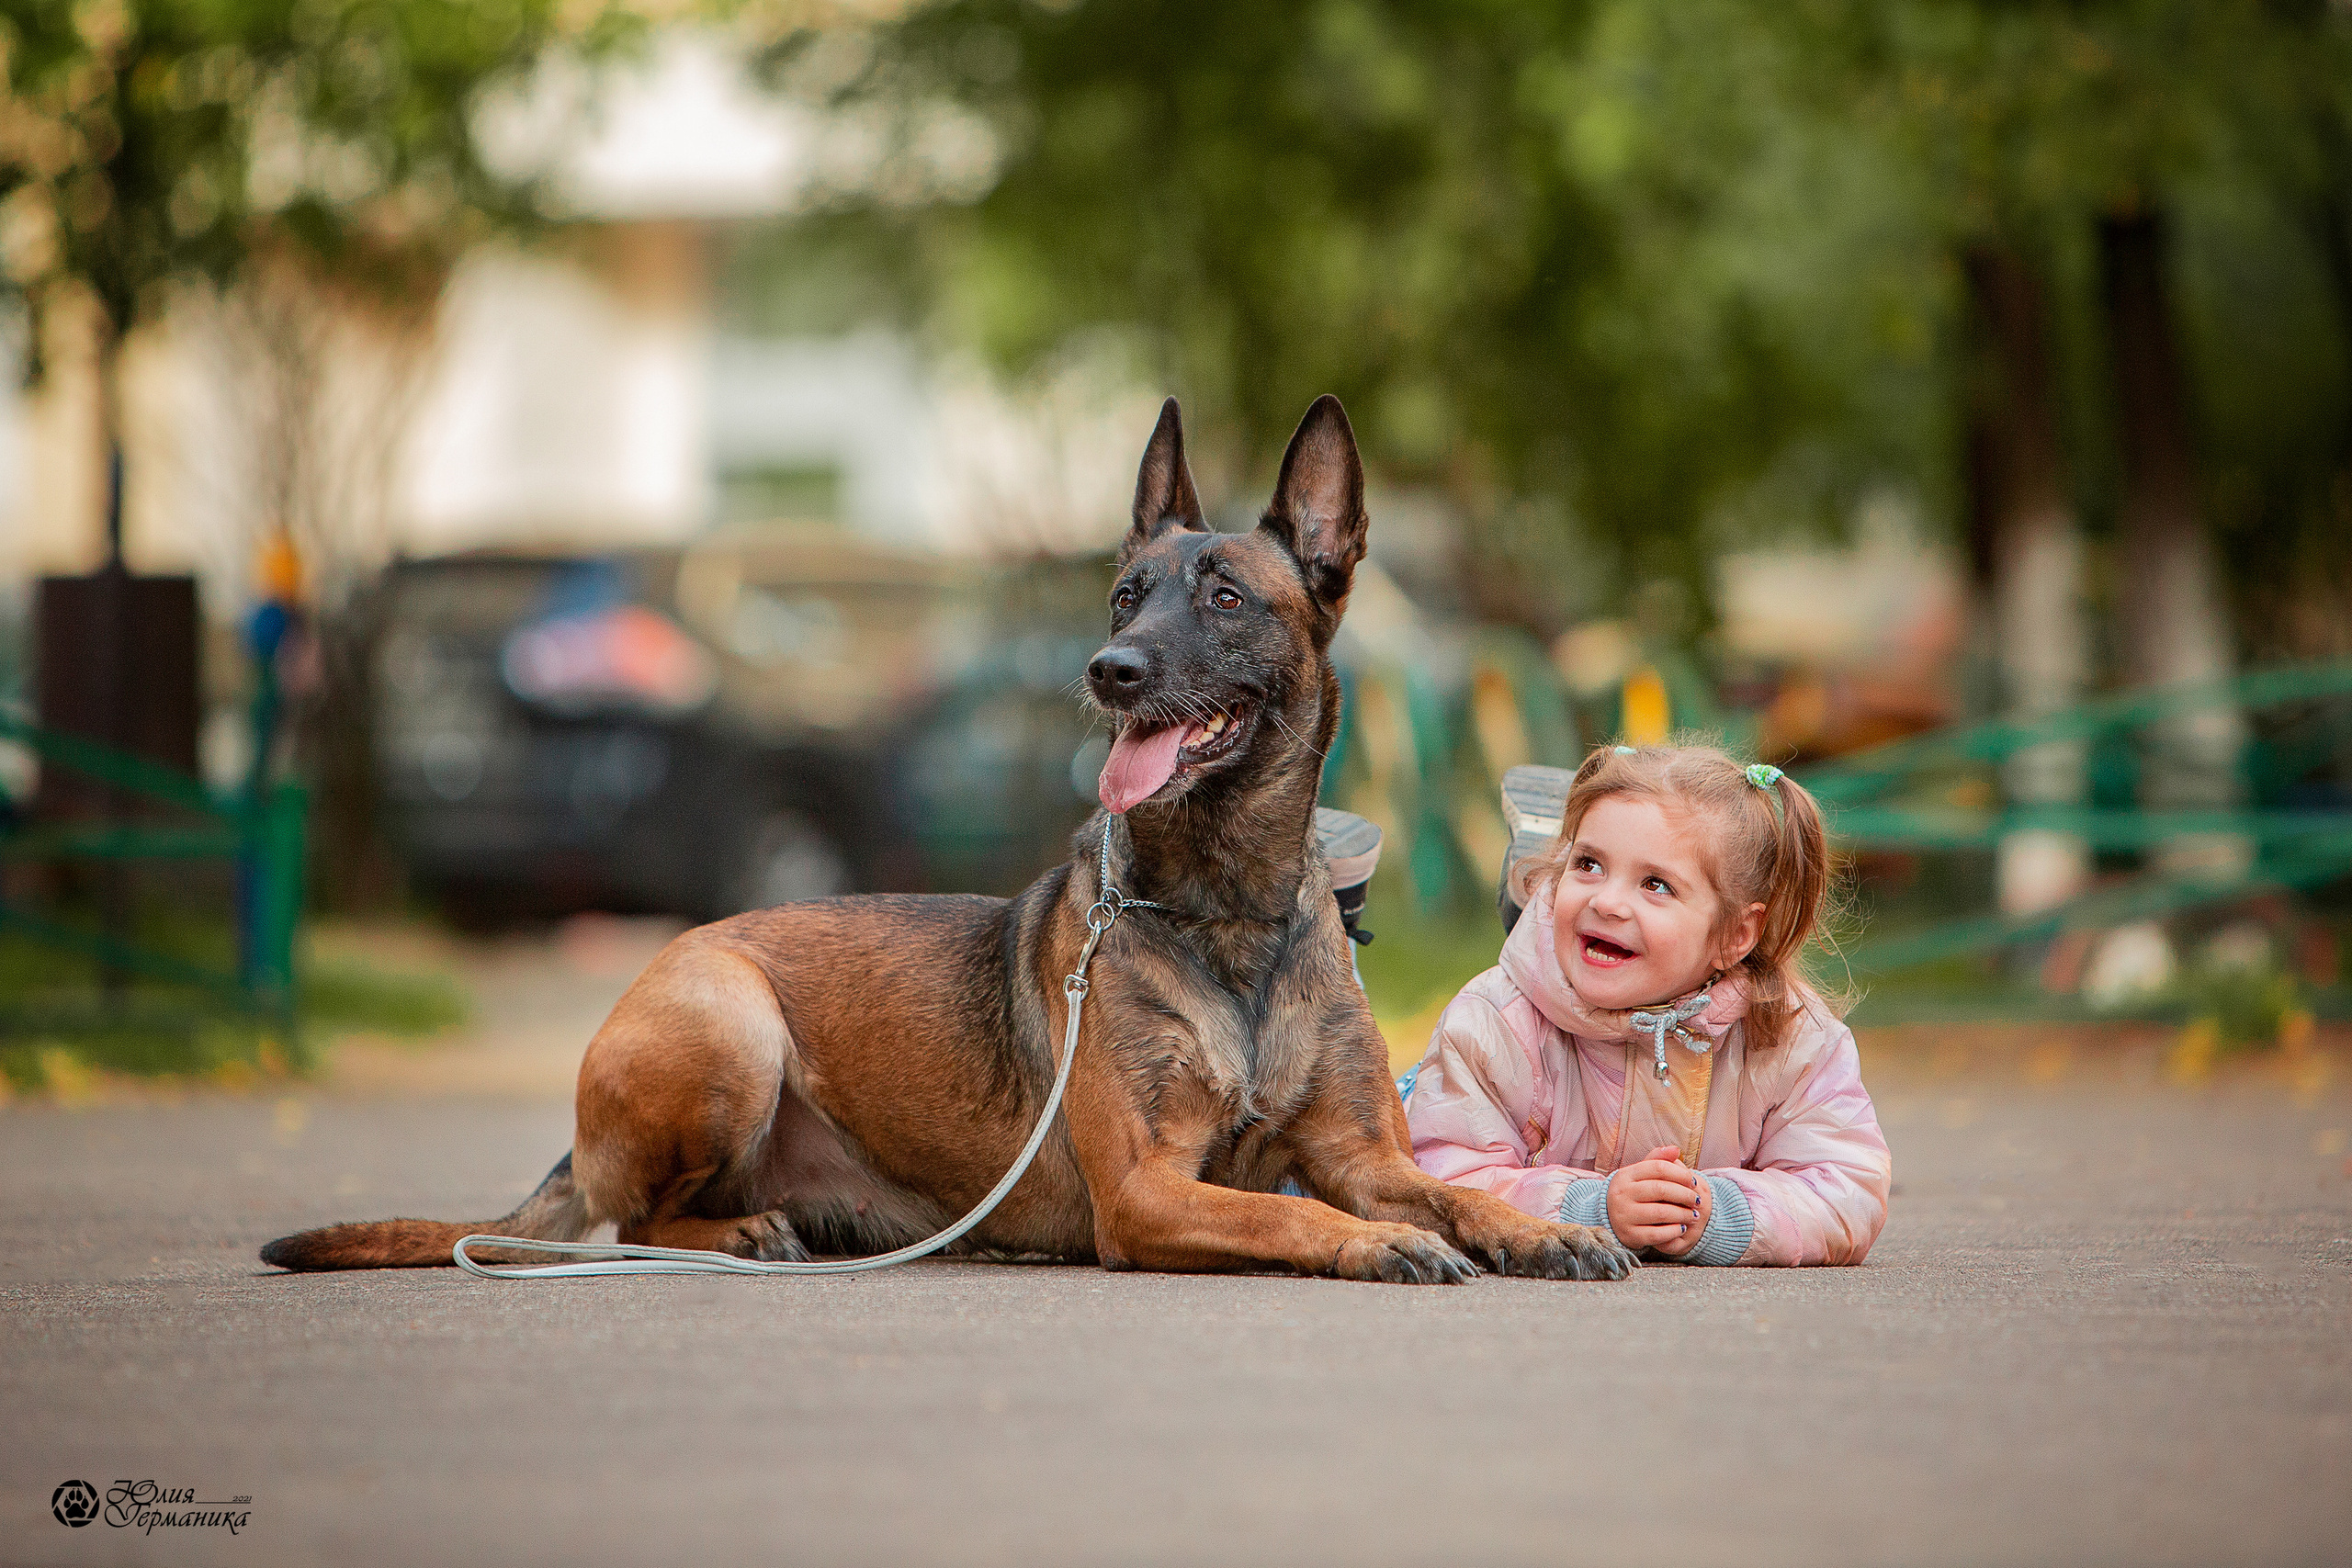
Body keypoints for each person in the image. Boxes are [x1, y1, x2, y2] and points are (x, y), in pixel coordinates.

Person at [1401, 741, 1890, 1266]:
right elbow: (1438, 1180)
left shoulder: (1792, 1036)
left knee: (1590, 924)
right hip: (1414, 1102)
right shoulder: (1493, 1020)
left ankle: (1542, 885)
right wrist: (1588, 1209)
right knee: (1338, 1163)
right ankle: (1358, 921)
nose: (1608, 901)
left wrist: (1721, 1212)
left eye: (1656, 885)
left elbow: (1847, 1187)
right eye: (1588, 864)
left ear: (1736, 935)